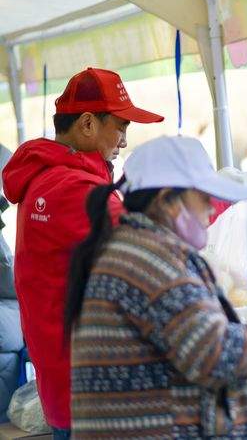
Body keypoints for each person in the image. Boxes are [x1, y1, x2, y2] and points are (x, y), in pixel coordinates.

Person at [65, 136, 247, 438]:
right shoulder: (151, 261)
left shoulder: (137, 249)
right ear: (167, 201)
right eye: (204, 199)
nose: (212, 210)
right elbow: (215, 352)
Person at [1, 67, 164, 439]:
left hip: (66, 379)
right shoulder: (73, 187)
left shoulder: (46, 175)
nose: (123, 141)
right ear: (88, 124)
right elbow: (152, 252)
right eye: (120, 127)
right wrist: (209, 202)